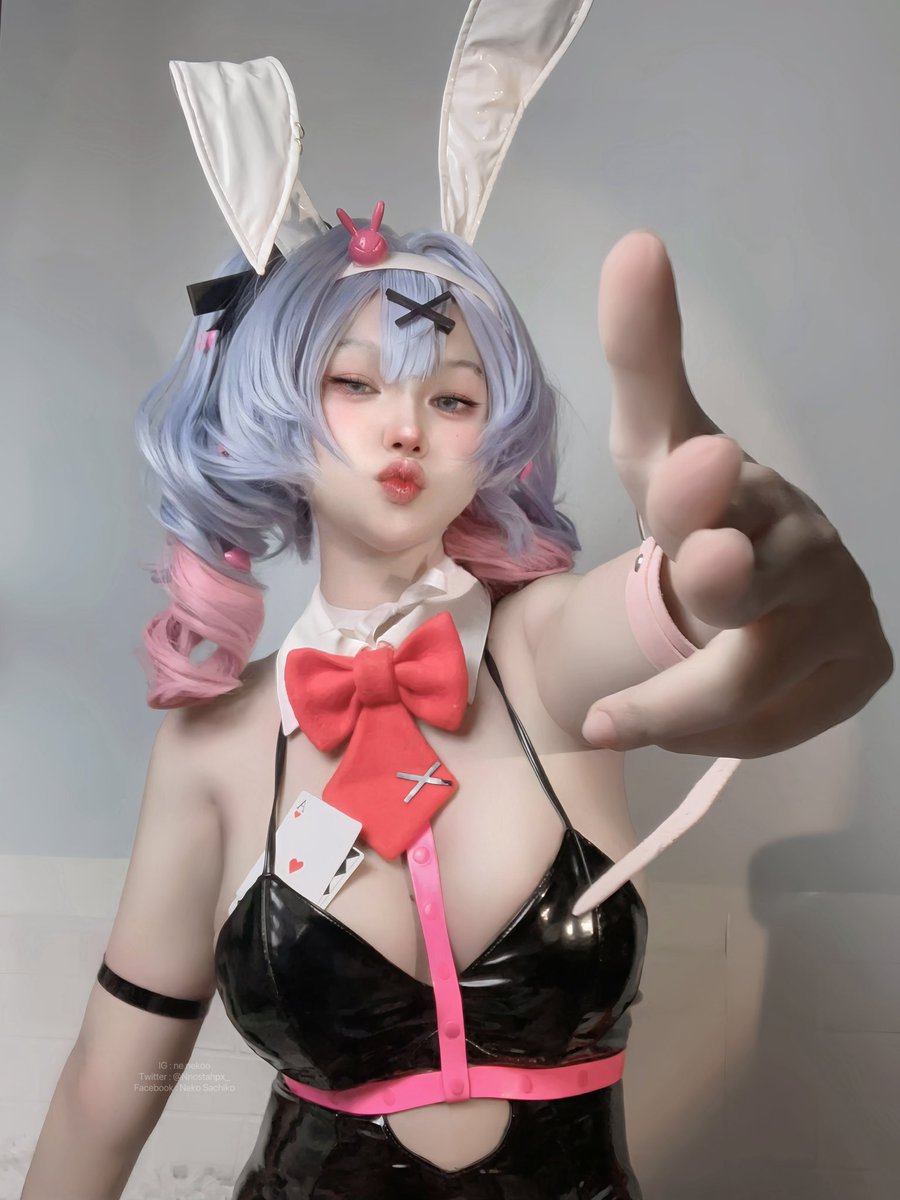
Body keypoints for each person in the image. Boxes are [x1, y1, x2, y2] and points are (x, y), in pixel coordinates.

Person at [22, 20, 893, 1200]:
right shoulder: (215, 748)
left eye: (453, 396)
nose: (405, 426)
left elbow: (674, 604)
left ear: (495, 436)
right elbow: (103, 1088)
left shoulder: (545, 658)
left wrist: (757, 583)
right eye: (353, 382)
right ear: (276, 405)